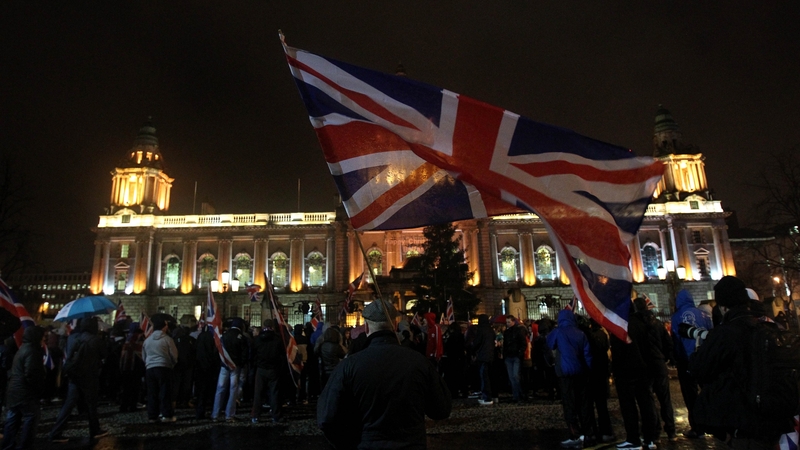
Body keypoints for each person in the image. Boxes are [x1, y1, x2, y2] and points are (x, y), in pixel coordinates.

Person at [318, 299, 451, 449]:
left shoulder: (349, 366)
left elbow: (327, 418)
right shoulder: (419, 362)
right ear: (394, 325)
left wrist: (350, 443)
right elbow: (441, 409)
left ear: (366, 327)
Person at [691, 276, 795, 449]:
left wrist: (698, 350)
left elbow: (699, 369)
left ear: (723, 307)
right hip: (773, 420)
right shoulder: (768, 327)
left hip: (744, 423)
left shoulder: (726, 333)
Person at [49, 317, 109, 443]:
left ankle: (56, 432)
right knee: (91, 405)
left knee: (69, 404)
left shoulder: (72, 337)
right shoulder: (95, 339)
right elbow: (104, 354)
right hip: (89, 375)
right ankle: (95, 430)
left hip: (74, 374)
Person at [610, 301, 658, 450]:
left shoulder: (620, 326)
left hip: (626, 371)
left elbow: (617, 352)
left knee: (628, 406)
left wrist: (614, 370)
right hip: (644, 369)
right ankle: (650, 439)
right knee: (646, 404)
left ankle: (633, 439)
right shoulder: (643, 324)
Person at [547, 309, 593, 449]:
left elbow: (550, 344)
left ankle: (575, 435)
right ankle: (587, 433)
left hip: (565, 373)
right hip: (580, 372)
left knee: (569, 405)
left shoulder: (558, 331)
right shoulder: (580, 333)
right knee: (583, 404)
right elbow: (587, 355)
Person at [670, 289, 712, 439]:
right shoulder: (704, 315)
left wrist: (676, 359)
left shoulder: (676, 318)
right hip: (705, 359)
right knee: (708, 391)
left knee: (690, 395)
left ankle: (697, 427)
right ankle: (713, 422)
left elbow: (675, 341)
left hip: (687, 361)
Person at [2, 326, 45, 450]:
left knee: (12, 420)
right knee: (30, 419)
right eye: (42, 336)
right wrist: (38, 389)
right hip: (26, 392)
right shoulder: (32, 351)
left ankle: (7, 445)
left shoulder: (22, 349)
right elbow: (31, 373)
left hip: (14, 391)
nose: (44, 339)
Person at [142, 316, 178, 423]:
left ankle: (152, 416)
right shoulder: (167, 339)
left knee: (152, 393)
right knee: (165, 392)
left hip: (150, 368)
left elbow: (144, 355)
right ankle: (166, 415)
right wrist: (172, 364)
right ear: (164, 327)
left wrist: (148, 364)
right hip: (163, 367)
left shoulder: (147, 340)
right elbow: (174, 355)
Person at [212, 318, 248, 422]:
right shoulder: (241, 337)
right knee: (233, 390)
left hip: (224, 365)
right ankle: (229, 414)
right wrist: (241, 364)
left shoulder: (224, 336)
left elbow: (218, 350)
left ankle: (215, 414)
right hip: (235, 366)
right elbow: (244, 353)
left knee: (220, 389)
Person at [250, 320, 284, 423]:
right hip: (273, 368)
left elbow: (253, 354)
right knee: (274, 393)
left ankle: (256, 415)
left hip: (261, 368)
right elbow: (281, 355)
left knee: (258, 393)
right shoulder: (277, 339)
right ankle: (276, 416)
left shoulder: (258, 339)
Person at [194, 324, 221, 420]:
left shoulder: (200, 336)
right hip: (210, 368)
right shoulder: (213, 338)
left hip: (200, 367)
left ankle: (200, 412)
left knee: (201, 392)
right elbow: (215, 353)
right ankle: (213, 410)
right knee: (210, 391)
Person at [468, 314, 496, 406]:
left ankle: (487, 398)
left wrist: (472, 349)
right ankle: (493, 396)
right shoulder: (490, 330)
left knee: (484, 378)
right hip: (490, 356)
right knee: (489, 376)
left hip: (483, 356)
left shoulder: (481, 330)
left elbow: (477, 343)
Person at [503, 315, 528, 402]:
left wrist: (519, 353)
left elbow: (523, 343)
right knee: (513, 376)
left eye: (509, 322)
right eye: (507, 322)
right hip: (511, 356)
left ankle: (518, 394)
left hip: (514, 355)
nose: (507, 324)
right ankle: (518, 395)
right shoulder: (507, 332)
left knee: (515, 376)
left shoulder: (516, 331)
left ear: (513, 322)